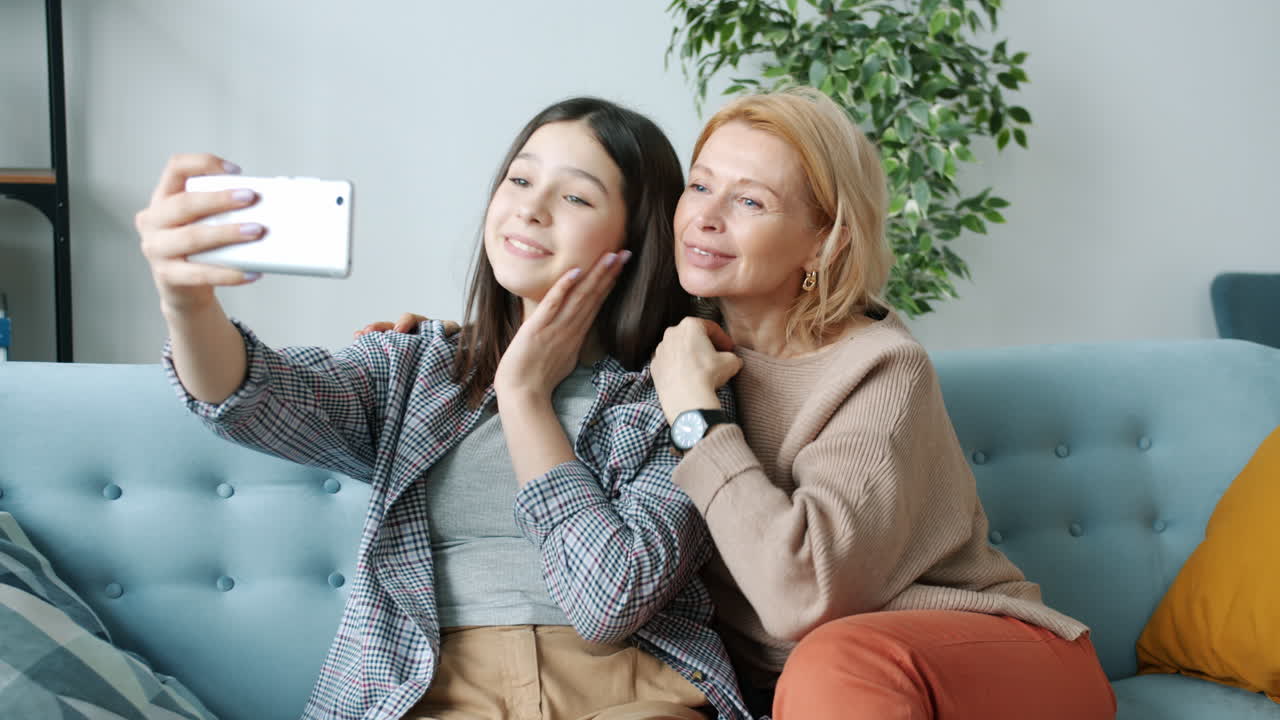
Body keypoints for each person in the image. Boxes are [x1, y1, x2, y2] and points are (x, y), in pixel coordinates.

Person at [367, 87, 1117, 720]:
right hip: (805, 690)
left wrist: (698, 416)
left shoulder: (880, 371)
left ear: (823, 243)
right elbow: (562, 341)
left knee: (833, 660)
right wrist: (453, 344)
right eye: (699, 185)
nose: (705, 218)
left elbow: (800, 602)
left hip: (982, 659)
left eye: (750, 200)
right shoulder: (674, 343)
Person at [134, 97, 752, 720]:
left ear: (635, 238)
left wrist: (524, 396)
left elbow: (607, 602)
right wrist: (187, 304)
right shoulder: (420, 369)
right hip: (437, 691)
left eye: (576, 198)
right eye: (520, 178)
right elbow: (254, 399)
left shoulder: (672, 389)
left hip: (633, 689)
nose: (530, 209)